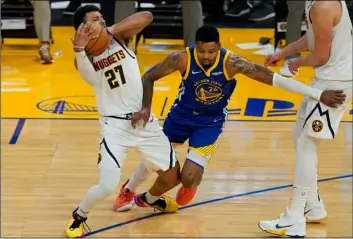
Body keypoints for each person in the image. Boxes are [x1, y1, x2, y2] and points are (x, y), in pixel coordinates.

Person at [113, 25, 347, 212]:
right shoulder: (181, 58)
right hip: (180, 115)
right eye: (202, 51)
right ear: (195, 47)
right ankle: (129, 188)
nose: (206, 56)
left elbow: (275, 80)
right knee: (155, 156)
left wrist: (318, 94)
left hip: (210, 122)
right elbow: (148, 77)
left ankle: (158, 195)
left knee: (188, 178)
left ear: (219, 47)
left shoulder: (232, 63)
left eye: (211, 51)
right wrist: (145, 107)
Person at [66, 5, 181, 238]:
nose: (101, 22)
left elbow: (147, 16)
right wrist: (79, 48)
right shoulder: (85, 56)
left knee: (172, 178)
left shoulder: (121, 38)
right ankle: (79, 216)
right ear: (83, 29)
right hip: (115, 127)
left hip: (144, 122)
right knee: (107, 185)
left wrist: (111, 30)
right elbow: (87, 75)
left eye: (101, 18)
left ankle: (146, 199)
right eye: (94, 21)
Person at [258, 0, 352, 237]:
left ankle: (295, 216)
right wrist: (283, 52)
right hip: (329, 77)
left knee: (306, 144)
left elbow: (320, 56)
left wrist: (297, 62)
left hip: (335, 83)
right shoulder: (316, 3)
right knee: (298, 136)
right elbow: (313, 36)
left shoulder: (324, 6)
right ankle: (313, 205)